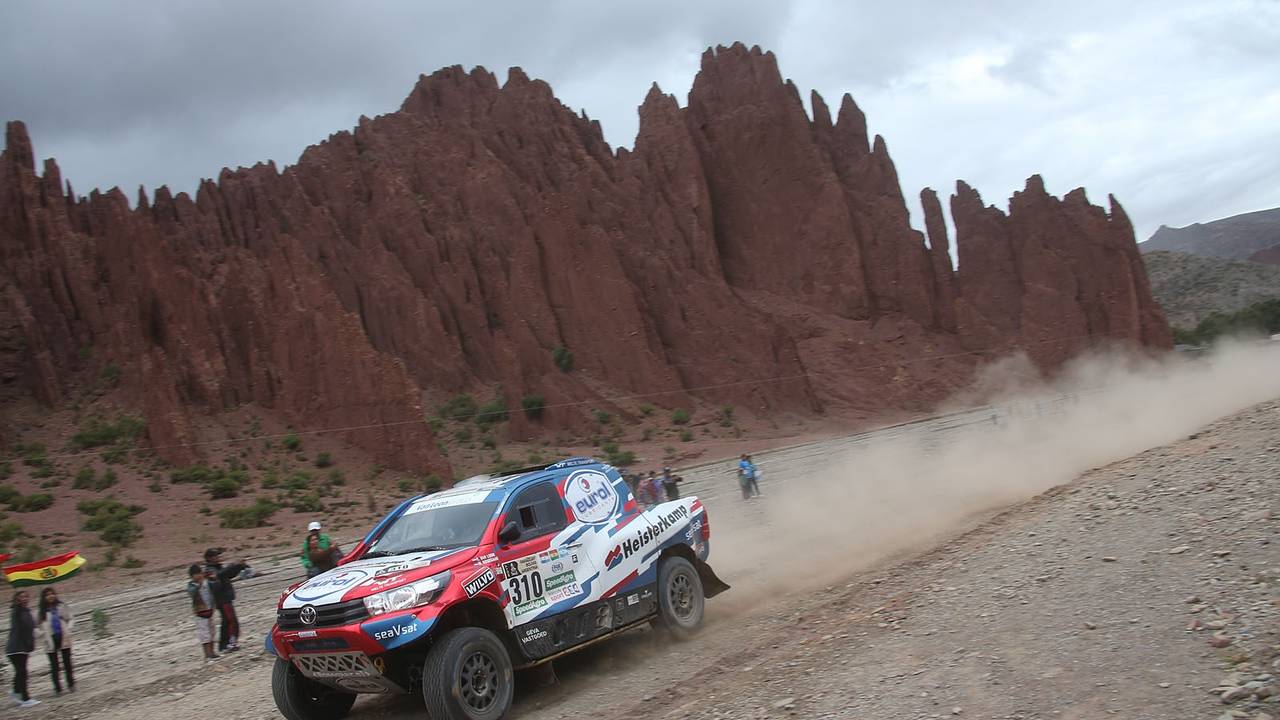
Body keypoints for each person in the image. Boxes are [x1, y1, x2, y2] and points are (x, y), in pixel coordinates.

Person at [204, 548, 250, 653]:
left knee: (227, 621)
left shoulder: (216, 568)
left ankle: (225, 645)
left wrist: (239, 567)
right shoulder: (209, 570)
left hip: (225, 598)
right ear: (210, 558)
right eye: (216, 556)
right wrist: (233, 565)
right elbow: (221, 575)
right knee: (231, 621)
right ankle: (229, 644)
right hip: (222, 599)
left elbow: (228, 575)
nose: (219, 558)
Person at [37, 588, 74, 695]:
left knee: (67, 663)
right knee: (54, 665)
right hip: (50, 639)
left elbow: (70, 618)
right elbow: (35, 627)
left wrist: (69, 628)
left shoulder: (61, 606)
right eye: (47, 595)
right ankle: (57, 688)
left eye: (52, 594)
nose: (50, 596)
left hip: (63, 636)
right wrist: (42, 634)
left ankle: (71, 684)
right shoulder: (41, 612)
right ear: (44, 598)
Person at [6, 590, 38, 708]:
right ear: (17, 599)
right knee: (22, 672)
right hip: (15, 647)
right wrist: (17, 604)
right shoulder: (17, 611)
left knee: (21, 672)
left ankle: (16, 691)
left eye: (26, 596)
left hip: (24, 647)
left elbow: (31, 627)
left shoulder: (27, 611)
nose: (24, 598)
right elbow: (22, 623)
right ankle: (25, 698)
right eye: (21, 597)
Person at [186, 563, 218, 661]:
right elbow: (192, 592)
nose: (199, 576)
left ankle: (212, 652)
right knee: (204, 634)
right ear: (192, 576)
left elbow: (214, 587)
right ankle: (207, 654)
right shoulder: (191, 585)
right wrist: (199, 585)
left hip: (209, 610)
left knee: (212, 632)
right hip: (200, 613)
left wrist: (212, 578)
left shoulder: (206, 583)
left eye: (200, 573)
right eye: (197, 574)